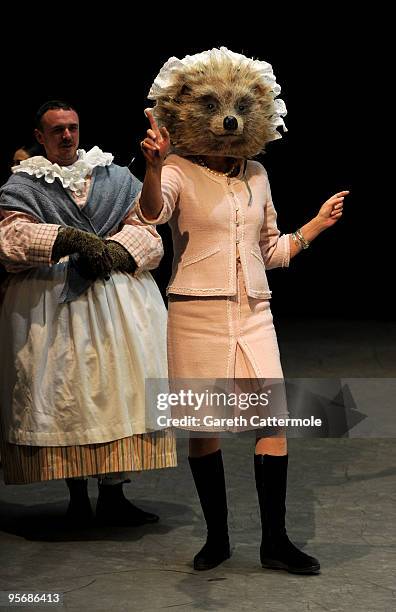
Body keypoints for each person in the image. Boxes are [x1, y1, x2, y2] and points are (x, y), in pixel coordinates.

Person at [137, 48, 349, 573]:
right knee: (203, 427)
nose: (228, 119)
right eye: (214, 107)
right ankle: (217, 539)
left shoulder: (257, 174)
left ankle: (274, 542)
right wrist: (154, 165)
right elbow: (150, 213)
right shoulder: (179, 170)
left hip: (254, 313)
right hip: (197, 313)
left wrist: (315, 226)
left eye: (236, 109)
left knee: (272, 422)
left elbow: (270, 250)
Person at [0, 100, 176, 527]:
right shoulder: (23, 184)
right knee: (67, 396)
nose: (67, 136)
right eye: (56, 130)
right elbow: (10, 239)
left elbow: (148, 229)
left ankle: (114, 495)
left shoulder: (112, 176)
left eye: (72, 128)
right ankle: (77, 496)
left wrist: (116, 249)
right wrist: (67, 239)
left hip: (117, 303)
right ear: (40, 137)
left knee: (119, 389)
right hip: (52, 304)